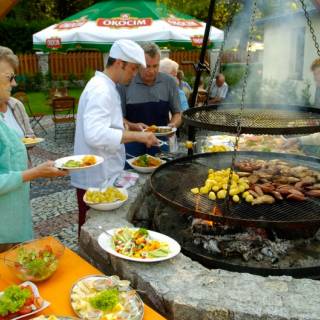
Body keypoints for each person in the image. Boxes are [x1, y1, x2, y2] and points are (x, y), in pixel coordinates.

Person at [70, 39, 158, 236]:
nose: (134, 74)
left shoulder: (106, 86)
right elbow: (95, 134)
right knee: (93, 231)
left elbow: (106, 124)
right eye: (133, 69)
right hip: (96, 177)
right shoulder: (101, 90)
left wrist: (128, 125)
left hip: (103, 173)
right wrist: (138, 136)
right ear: (119, 63)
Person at [0, 47, 68, 251]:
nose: (14, 83)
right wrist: (35, 172)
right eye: (9, 77)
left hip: (16, 210)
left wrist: (37, 171)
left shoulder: (12, 106)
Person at [118, 42, 182, 157]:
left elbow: (178, 113)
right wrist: (133, 125)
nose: (151, 71)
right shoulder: (125, 83)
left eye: (155, 66)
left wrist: (173, 125)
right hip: (133, 144)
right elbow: (119, 118)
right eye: (147, 66)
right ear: (138, 64)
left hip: (161, 142)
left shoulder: (169, 82)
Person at [0, 47, 34, 138]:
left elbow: (29, 136)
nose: (14, 83)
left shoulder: (16, 105)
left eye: (14, 77)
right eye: (9, 77)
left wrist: (29, 139)